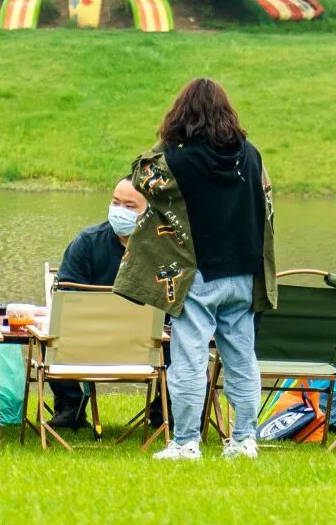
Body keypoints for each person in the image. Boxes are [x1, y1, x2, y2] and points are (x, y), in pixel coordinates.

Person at [115, 78, 276, 461]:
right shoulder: (250, 155)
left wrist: (166, 141)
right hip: (243, 275)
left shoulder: (177, 161)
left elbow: (140, 175)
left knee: (189, 359)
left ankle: (187, 442)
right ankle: (244, 440)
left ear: (180, 116)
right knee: (242, 359)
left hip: (198, 275)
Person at [46, 176, 150, 430]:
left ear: (150, 211)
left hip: (145, 342)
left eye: (129, 206)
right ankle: (71, 407)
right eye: (115, 202)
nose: (120, 211)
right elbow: (67, 299)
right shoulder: (88, 242)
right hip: (89, 337)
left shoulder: (163, 248)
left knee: (185, 342)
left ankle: (163, 413)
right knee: (49, 337)